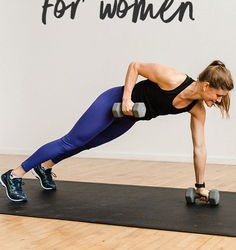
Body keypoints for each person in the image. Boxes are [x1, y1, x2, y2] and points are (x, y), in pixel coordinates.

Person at [0, 60, 234, 202]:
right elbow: (135, 66)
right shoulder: (172, 78)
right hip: (113, 102)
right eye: (218, 95)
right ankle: (14, 175)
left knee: (87, 143)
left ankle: (45, 166)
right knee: (71, 140)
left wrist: (200, 186)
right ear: (206, 86)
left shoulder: (197, 109)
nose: (217, 101)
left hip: (128, 118)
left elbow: (199, 147)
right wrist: (126, 99)